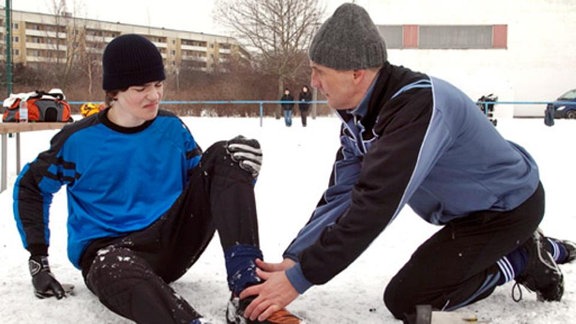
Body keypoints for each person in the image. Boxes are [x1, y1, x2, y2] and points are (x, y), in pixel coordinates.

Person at [238, 3, 576, 323]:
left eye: (319, 71)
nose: (313, 82)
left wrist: (301, 278)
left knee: (412, 303)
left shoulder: (418, 107)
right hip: (471, 214)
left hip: (508, 208)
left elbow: (374, 205)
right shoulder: (358, 117)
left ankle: (520, 258)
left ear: (356, 74)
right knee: (413, 297)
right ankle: (534, 248)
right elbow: (342, 195)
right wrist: (295, 259)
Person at [12, 34, 301, 324]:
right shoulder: (78, 141)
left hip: (170, 242)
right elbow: (30, 188)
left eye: (158, 84)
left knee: (227, 154)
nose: (154, 95)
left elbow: (207, 187)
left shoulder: (172, 129)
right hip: (108, 254)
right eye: (141, 88)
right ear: (114, 92)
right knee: (110, 263)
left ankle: (247, 294)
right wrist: (39, 261)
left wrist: (239, 175)